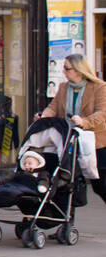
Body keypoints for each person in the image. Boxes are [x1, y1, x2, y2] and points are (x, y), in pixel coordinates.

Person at [40, 53, 106, 203]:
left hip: (96, 143)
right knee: (67, 183)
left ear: (78, 70)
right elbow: (53, 107)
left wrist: (84, 121)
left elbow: (103, 112)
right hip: (69, 140)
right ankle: (66, 219)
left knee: (100, 185)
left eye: (66, 68)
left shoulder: (99, 87)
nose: (63, 71)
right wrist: (44, 117)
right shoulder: (64, 87)